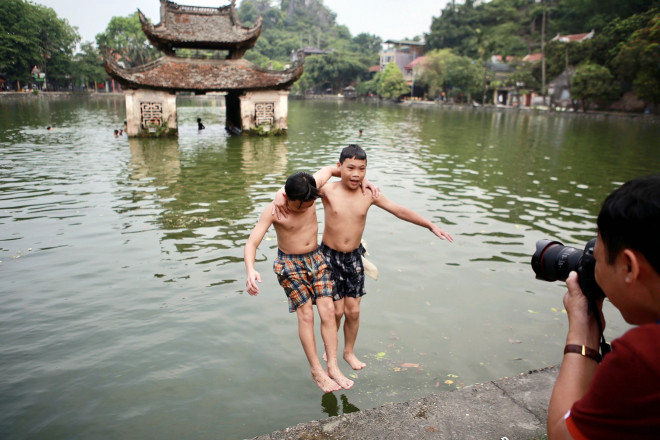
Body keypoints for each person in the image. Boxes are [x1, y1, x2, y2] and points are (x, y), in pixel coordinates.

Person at [275, 145, 453, 370]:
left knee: (354, 310)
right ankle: (331, 353)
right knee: (336, 311)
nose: (357, 174)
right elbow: (298, 187)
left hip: (354, 258)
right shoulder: (328, 191)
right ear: (340, 167)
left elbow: (398, 210)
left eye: (362, 169)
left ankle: (349, 352)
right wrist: (280, 199)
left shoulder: (368, 194)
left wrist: (429, 225)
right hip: (329, 257)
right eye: (350, 168)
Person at [547, 174, 660, 439]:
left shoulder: (645, 356)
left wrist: (582, 332)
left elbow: (563, 436)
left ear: (629, 267)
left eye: (597, 259)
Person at [244, 170, 354, 393]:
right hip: (290, 264)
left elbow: (335, 169)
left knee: (328, 309)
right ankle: (316, 370)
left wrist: (367, 183)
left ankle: (332, 365)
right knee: (306, 314)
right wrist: (250, 270)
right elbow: (251, 243)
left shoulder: (310, 190)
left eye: (308, 204)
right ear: (288, 198)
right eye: (299, 206)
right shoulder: (276, 210)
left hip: (316, 257)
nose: (304, 208)